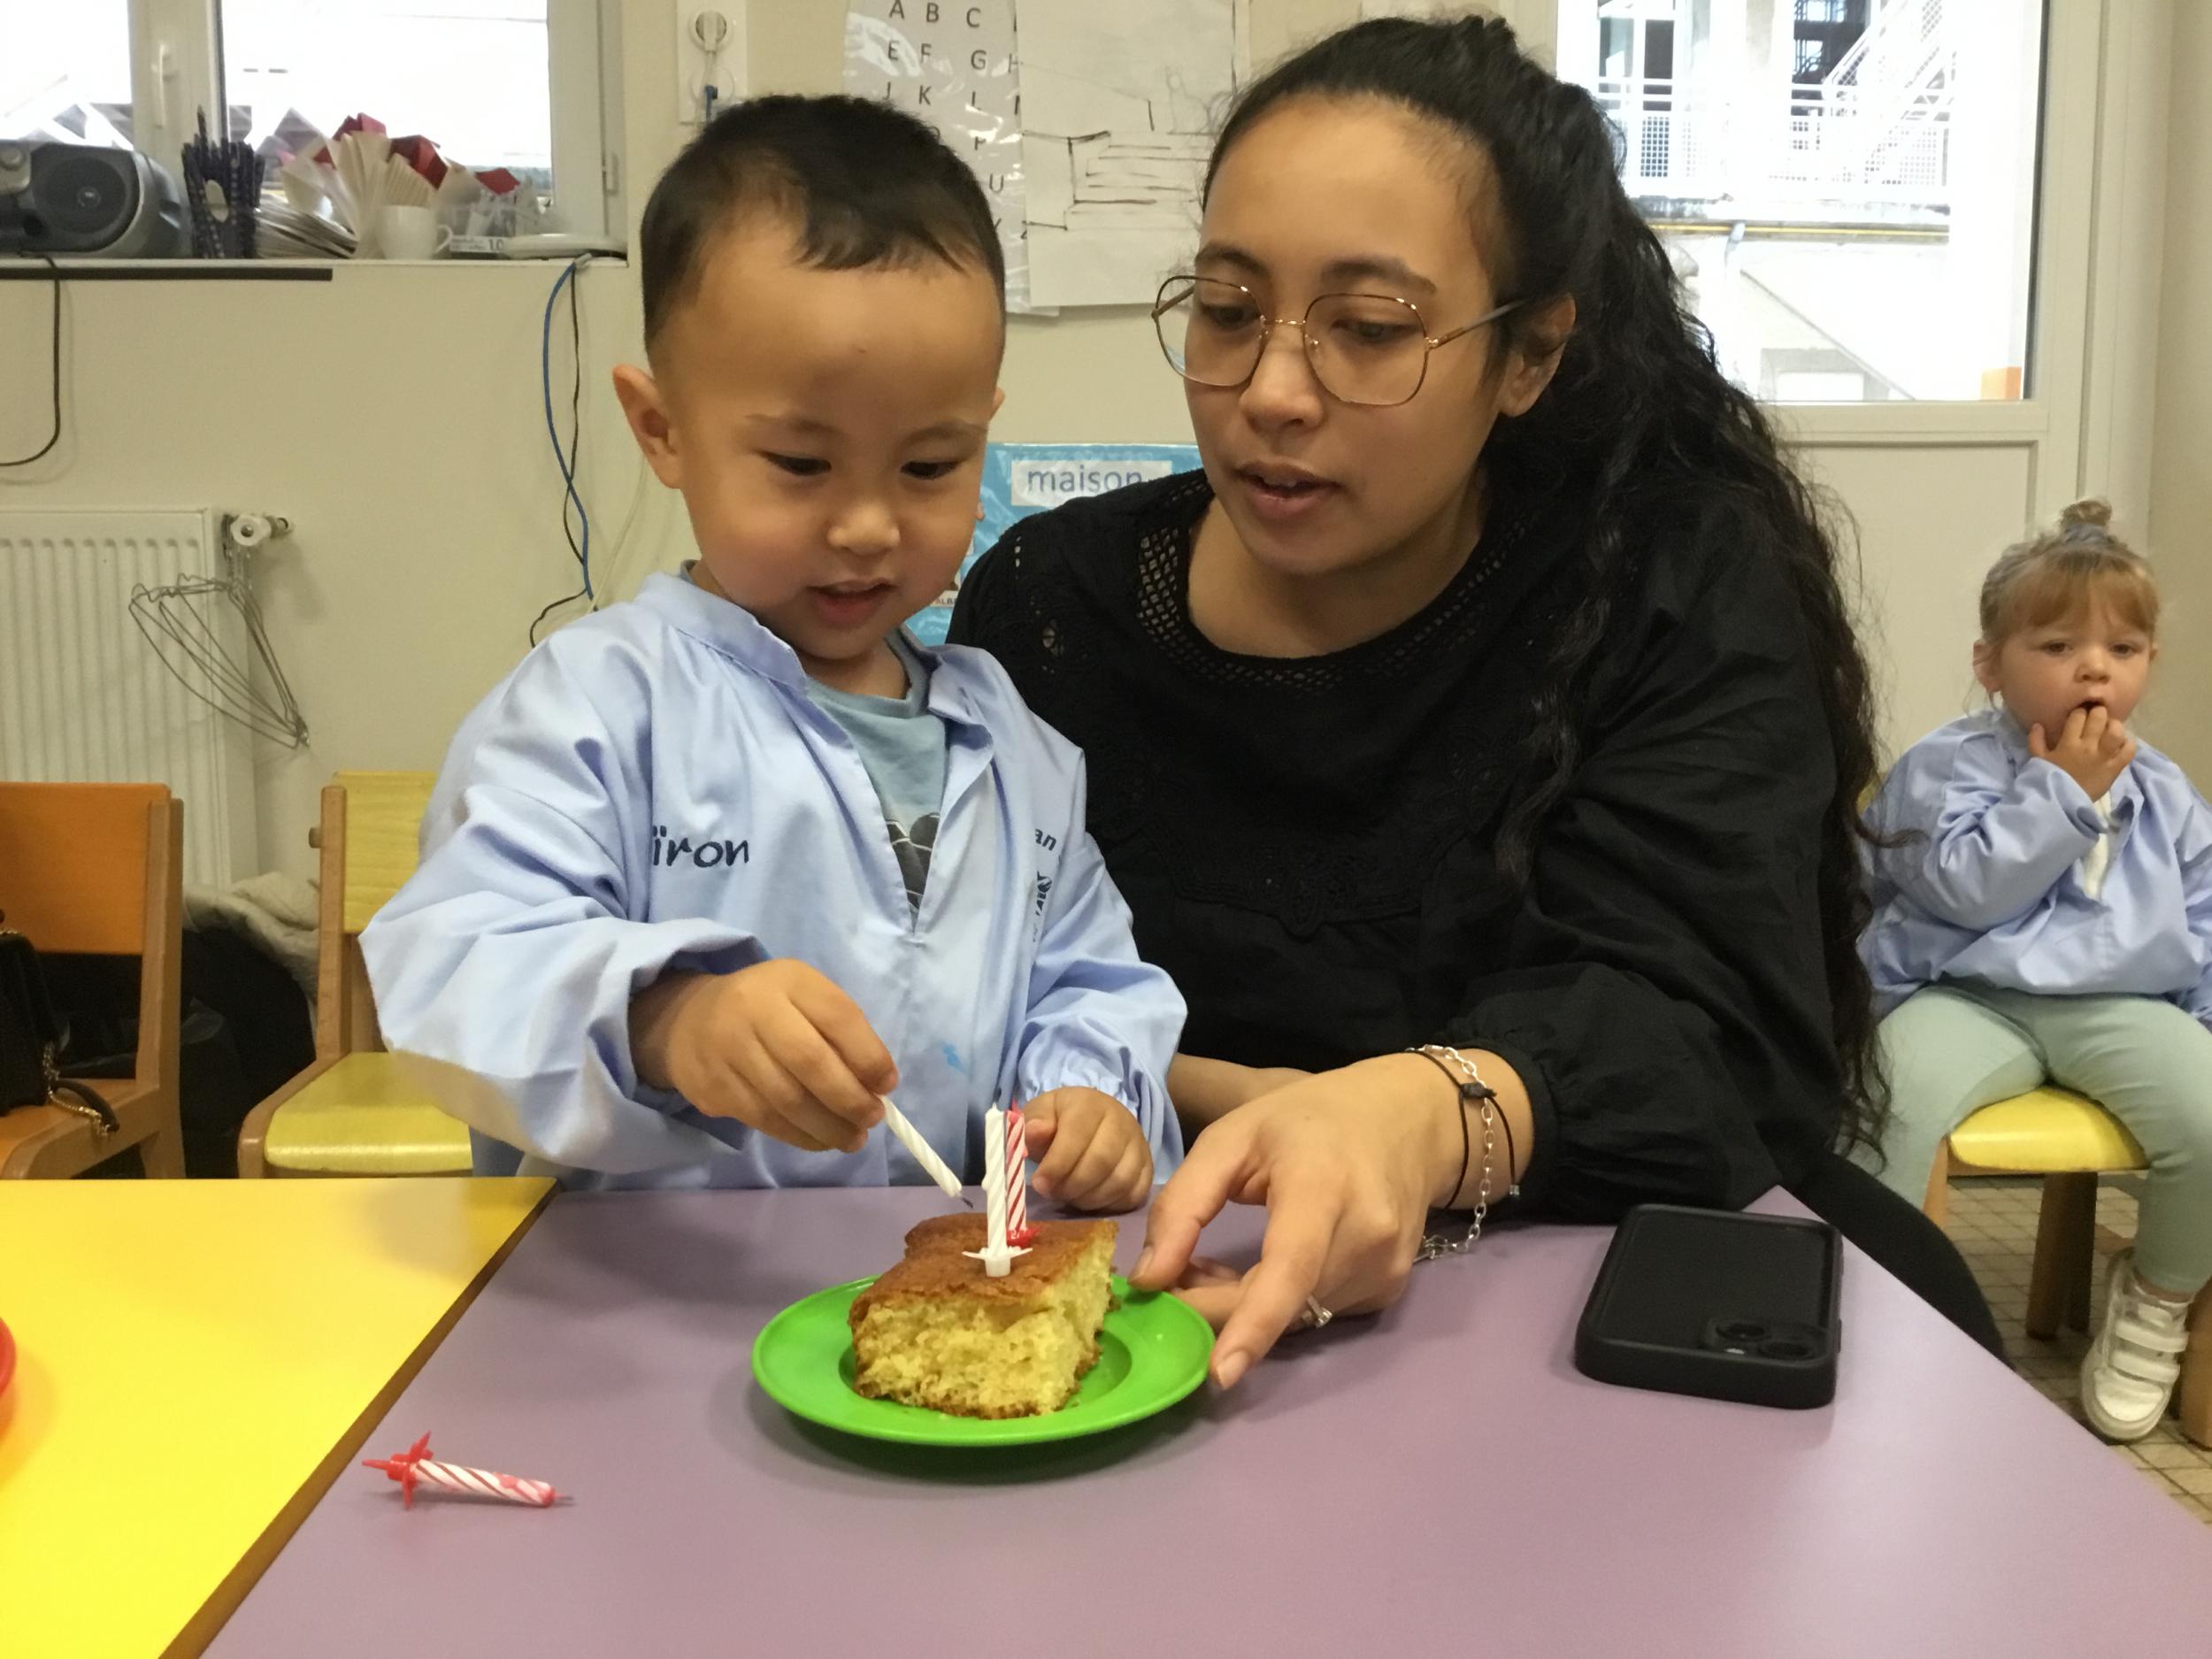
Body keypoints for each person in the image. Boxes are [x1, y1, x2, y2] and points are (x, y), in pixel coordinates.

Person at [950, 13, 2000, 1386]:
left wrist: (1423, 1114)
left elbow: (1717, 1036)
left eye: (1370, 329)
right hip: (1150, 1297)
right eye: (1229, 308)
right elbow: (969, 998)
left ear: (1529, 355)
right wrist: (1249, 1101)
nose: (1273, 391)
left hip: (1577, 1301)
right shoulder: (1051, 606)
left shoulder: (1656, 584)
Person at [363, 96, 1182, 1202]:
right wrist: (667, 1017)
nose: (868, 527)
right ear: (662, 430)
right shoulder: (596, 708)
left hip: (939, 1284)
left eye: (930, 466)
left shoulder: (1015, 746)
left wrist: (1089, 1095)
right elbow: (460, 962)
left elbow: (1088, 978)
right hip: (661, 1282)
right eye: (801, 465)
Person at [1859, 501, 2212, 1440]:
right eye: (2058, 646)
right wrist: (2062, 790)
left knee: (2210, 1116)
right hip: (1960, 989)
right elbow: (1964, 889)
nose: (2094, 668)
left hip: (2120, 1002)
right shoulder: (1946, 764)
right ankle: (1877, 1306)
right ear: (1991, 663)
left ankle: (2156, 1303)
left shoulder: (2166, 788)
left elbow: (2204, 911)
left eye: (2122, 649)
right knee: (1884, 1107)